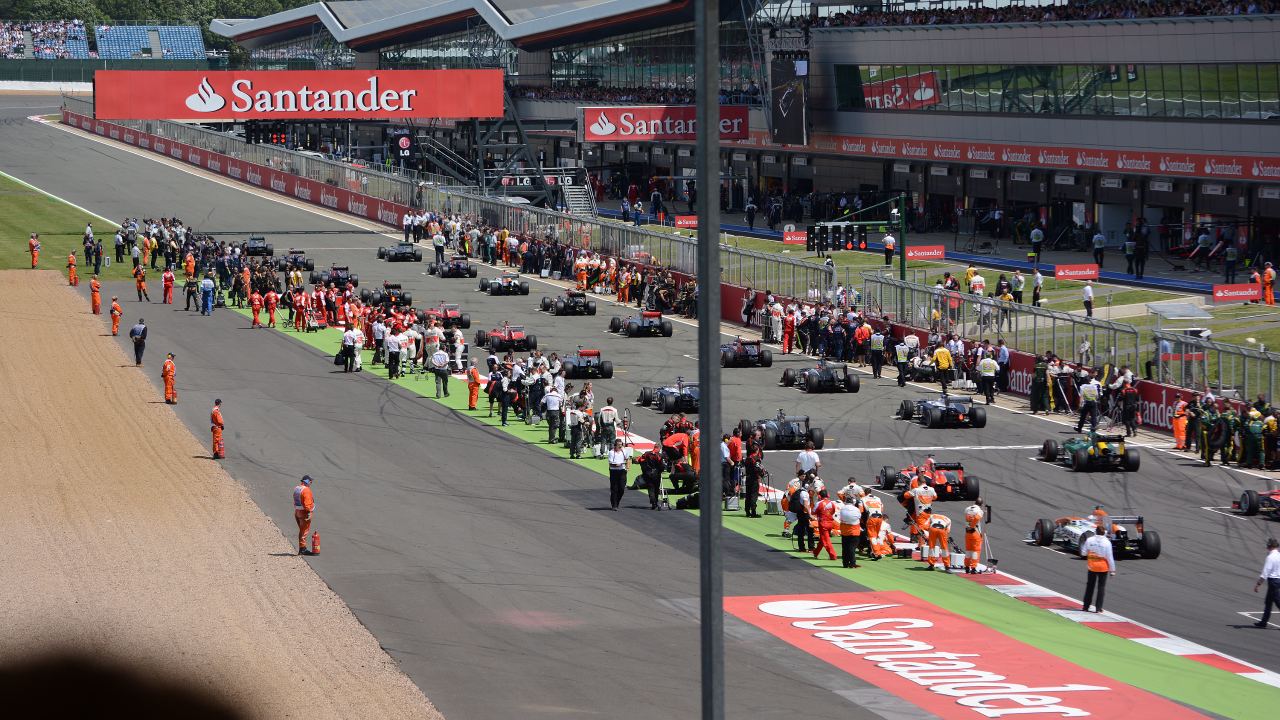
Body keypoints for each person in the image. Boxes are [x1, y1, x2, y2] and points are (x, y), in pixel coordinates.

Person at [1080, 524, 1116, 613]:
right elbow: (1110, 557)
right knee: (1101, 587)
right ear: (1104, 533)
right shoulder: (1107, 542)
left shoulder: (1089, 540)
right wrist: (1112, 570)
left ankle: (1085, 606)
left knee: (1090, 586)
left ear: (1095, 532)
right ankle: (1098, 608)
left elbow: (1083, 553)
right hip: (1103, 567)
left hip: (1092, 566)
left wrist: (1091, 553)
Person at [1254, 537, 1280, 627]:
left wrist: (1258, 584)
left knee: (1278, 602)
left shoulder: (1270, 557)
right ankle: (1263, 622)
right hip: (1278, 580)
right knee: (1268, 602)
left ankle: (1263, 622)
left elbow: (1265, 573)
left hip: (1273, 582)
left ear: (1270, 546)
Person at [810, 489, 838, 561]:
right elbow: (834, 511)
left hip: (823, 524)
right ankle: (815, 552)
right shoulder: (832, 503)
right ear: (828, 495)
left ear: (819, 496)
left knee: (826, 540)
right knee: (823, 539)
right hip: (831, 523)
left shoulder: (819, 503)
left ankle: (833, 555)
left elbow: (813, 512)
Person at [837, 488, 862, 568]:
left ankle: (845, 563)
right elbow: (859, 517)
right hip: (854, 531)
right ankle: (852, 563)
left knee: (845, 547)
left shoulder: (842, 509)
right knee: (852, 548)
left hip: (844, 530)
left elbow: (840, 518)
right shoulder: (856, 509)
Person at [293, 475, 316, 555]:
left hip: (297, 511)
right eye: (310, 482)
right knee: (304, 531)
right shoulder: (306, 490)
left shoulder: (297, 488)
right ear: (307, 481)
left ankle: (302, 548)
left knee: (302, 530)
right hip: (304, 513)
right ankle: (302, 549)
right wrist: (309, 512)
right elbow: (307, 504)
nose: (311, 483)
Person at [607, 438, 631, 511]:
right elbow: (611, 464)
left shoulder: (625, 451)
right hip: (614, 471)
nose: (620, 446)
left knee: (621, 489)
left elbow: (628, 459)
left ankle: (617, 502)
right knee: (614, 489)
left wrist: (627, 467)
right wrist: (616, 465)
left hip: (622, 471)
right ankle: (614, 505)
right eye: (619, 445)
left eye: (621, 445)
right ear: (615, 445)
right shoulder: (611, 452)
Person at [963, 500, 984, 574]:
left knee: (968, 550)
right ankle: (973, 568)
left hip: (967, 532)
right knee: (976, 550)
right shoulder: (979, 511)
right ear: (981, 504)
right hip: (975, 532)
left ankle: (967, 566)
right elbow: (977, 518)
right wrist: (972, 526)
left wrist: (970, 526)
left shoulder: (967, 508)